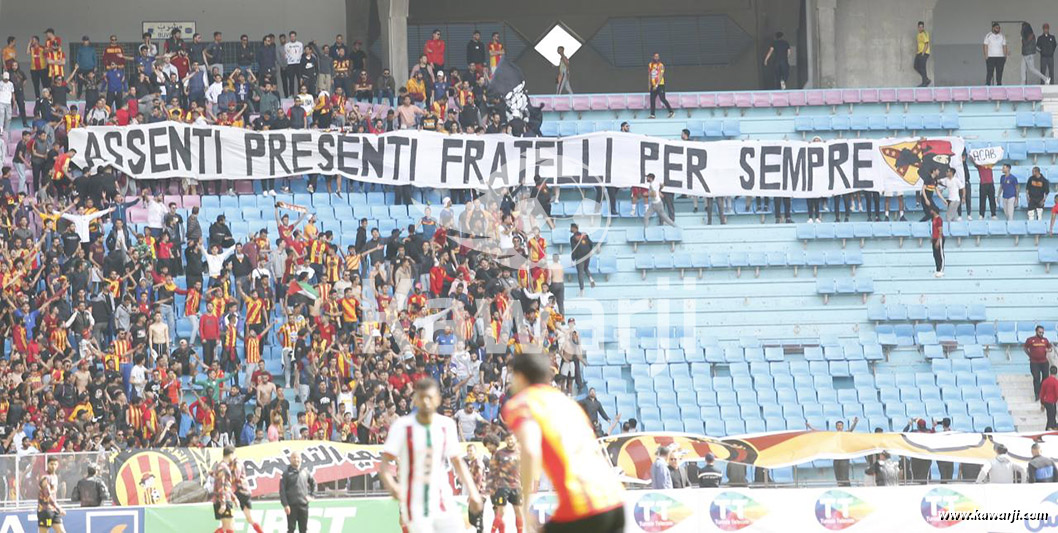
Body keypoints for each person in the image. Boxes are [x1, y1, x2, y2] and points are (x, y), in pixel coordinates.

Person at [503, 353, 625, 533]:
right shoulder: (567, 403)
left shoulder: (523, 403)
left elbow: (529, 450)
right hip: (615, 500)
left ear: (520, 377)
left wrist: (525, 503)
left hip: (581, 505)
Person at [380, 378, 483, 533]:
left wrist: (473, 491)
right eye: (422, 397)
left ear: (437, 399)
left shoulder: (446, 425)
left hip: (443, 498)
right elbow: (384, 464)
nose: (426, 402)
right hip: (416, 502)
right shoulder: (402, 427)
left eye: (430, 397)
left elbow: (457, 461)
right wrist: (392, 486)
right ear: (415, 400)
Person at [487, 433, 525, 533]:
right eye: (508, 439)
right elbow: (492, 471)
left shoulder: (521, 452)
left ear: (515, 439)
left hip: (516, 486)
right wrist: (491, 487)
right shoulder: (499, 453)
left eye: (511, 439)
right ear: (505, 440)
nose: (510, 441)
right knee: (500, 512)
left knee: (519, 511)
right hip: (502, 486)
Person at [280, 451, 317, 533]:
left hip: (303, 506)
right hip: (291, 506)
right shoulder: (286, 474)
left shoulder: (305, 472)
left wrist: (312, 495)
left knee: (303, 530)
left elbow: (314, 483)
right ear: (290, 459)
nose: (296, 459)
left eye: (298, 458)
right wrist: (285, 504)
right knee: (291, 529)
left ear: (301, 459)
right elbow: (282, 491)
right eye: (294, 457)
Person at [38, 456, 66, 533]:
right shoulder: (45, 478)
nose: (53, 466)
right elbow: (47, 495)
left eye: (55, 464)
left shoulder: (55, 477)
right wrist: (58, 507)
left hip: (54, 511)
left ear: (58, 465)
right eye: (51, 464)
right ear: (47, 464)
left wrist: (56, 507)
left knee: (61, 531)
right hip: (45, 510)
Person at [1025, 325, 1052, 401]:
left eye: (1042, 332)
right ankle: (1037, 394)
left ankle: (1041, 391)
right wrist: (1029, 355)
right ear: (1036, 331)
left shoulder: (1045, 340)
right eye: (1040, 332)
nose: (1041, 334)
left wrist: (1049, 350)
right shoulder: (1030, 340)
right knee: (1036, 378)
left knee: (1045, 378)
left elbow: (1049, 348)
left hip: (1044, 362)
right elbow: (1025, 348)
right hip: (1034, 362)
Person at [647, 52, 673, 119]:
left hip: (660, 84)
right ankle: (652, 114)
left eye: (657, 56)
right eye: (655, 56)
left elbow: (661, 75)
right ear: (653, 57)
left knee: (662, 98)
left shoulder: (661, 65)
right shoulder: (650, 65)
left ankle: (671, 111)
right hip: (653, 84)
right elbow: (649, 75)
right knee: (652, 99)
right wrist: (649, 84)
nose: (656, 58)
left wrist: (656, 85)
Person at [914, 21, 931, 87]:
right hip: (919, 52)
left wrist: (923, 52)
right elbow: (919, 44)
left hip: (924, 53)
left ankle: (924, 83)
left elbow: (926, 44)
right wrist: (917, 52)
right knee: (915, 66)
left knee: (922, 67)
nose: (921, 28)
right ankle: (926, 79)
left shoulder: (925, 33)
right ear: (918, 28)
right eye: (919, 27)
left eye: (922, 27)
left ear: (923, 27)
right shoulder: (918, 34)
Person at [931, 208, 944, 278]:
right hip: (934, 238)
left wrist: (938, 241)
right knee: (935, 254)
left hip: (938, 239)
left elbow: (940, 231)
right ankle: (937, 269)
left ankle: (941, 269)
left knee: (940, 254)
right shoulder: (934, 219)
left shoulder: (939, 219)